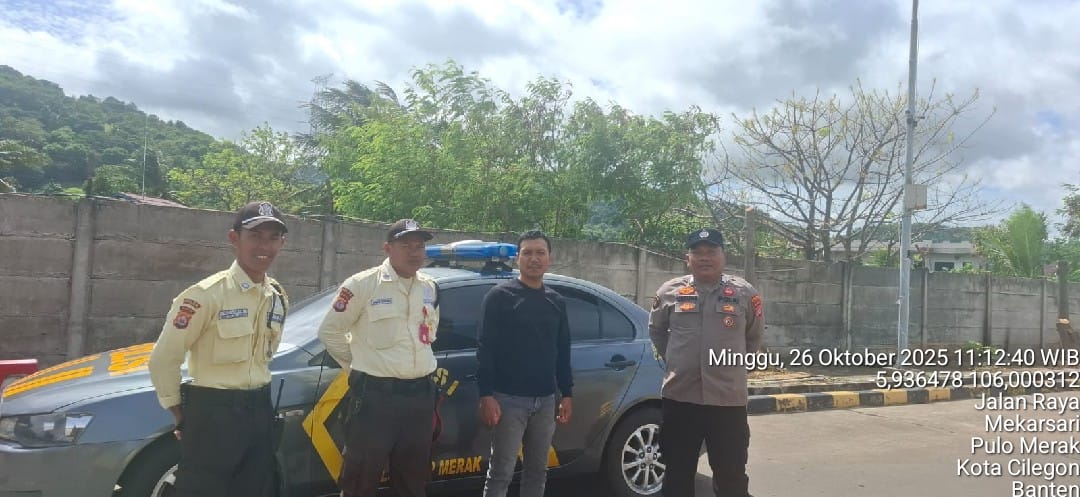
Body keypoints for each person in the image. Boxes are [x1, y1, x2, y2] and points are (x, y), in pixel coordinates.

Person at [148, 201, 290, 497]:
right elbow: (164, 359)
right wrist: (179, 413)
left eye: (273, 238)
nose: (264, 246)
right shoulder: (206, 295)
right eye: (255, 236)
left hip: (260, 410)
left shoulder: (276, 296)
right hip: (213, 414)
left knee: (255, 490)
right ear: (234, 238)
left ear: (282, 243)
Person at [317, 219, 440, 497]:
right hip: (376, 399)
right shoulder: (363, 284)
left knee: (413, 482)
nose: (414, 252)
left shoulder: (430, 287)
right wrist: (358, 365)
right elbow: (329, 331)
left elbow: (428, 335)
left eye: (419, 246)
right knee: (360, 481)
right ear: (387, 248)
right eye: (406, 245)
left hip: (420, 398)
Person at [649, 228, 764, 497]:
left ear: (723, 256)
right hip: (680, 398)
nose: (704, 258)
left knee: (732, 477)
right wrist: (678, 362)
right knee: (677, 475)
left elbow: (753, 338)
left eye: (711, 251)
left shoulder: (745, 294)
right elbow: (657, 332)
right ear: (687, 258)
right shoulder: (670, 291)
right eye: (697, 252)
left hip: (728, 402)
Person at [476, 230, 573, 497]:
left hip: (546, 401)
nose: (534, 258)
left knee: (538, 471)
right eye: (527, 253)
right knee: (501, 473)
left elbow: (563, 350)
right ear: (517, 258)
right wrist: (486, 395)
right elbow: (485, 349)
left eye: (540, 252)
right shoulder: (499, 297)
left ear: (549, 258)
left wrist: (567, 393)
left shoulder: (556, 301)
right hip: (508, 400)